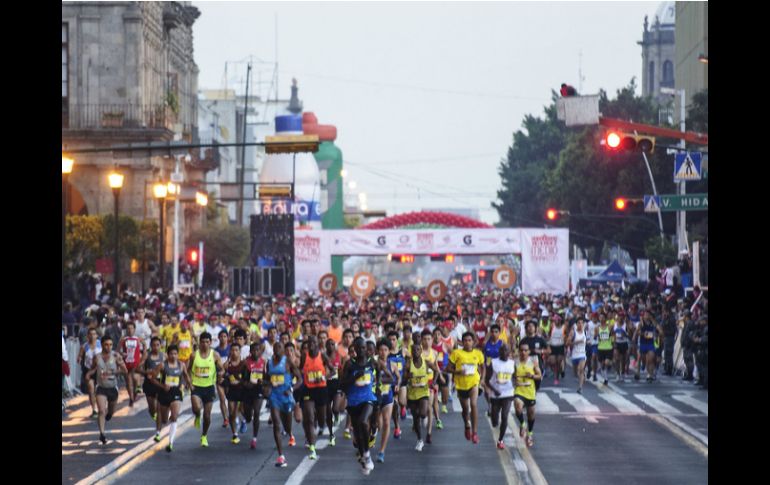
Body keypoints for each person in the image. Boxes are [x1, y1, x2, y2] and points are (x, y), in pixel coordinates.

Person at [340, 337, 383, 474]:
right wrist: (354, 377)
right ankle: (365, 455)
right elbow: (342, 384)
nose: (362, 350)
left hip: (368, 398)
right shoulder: (349, 364)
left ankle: (366, 454)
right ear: (354, 349)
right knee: (358, 431)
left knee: (363, 421)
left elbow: (379, 374)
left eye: (364, 347)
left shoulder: (372, 362)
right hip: (353, 401)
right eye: (358, 348)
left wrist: (378, 387)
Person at [265, 340, 304, 468]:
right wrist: (266, 387)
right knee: (277, 424)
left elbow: (299, 379)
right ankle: (281, 456)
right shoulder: (269, 363)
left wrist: (292, 388)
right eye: (275, 347)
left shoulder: (288, 362)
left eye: (279, 348)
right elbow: (266, 379)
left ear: (283, 350)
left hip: (286, 397)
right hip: (274, 396)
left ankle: (289, 433)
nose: (277, 350)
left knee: (287, 427)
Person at [148, 344, 191, 452]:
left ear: (178, 354)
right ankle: (161, 427)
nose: (173, 356)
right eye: (171, 354)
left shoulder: (181, 365)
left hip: (176, 391)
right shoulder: (162, 366)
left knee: (175, 416)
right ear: (167, 355)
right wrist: (163, 386)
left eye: (175, 354)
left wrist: (189, 385)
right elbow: (152, 379)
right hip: (164, 392)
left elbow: (185, 375)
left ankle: (170, 443)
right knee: (164, 420)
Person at [86, 335, 128, 445]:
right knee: (101, 411)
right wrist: (89, 373)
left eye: (110, 345)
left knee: (110, 412)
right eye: (106, 345)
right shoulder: (97, 357)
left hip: (112, 388)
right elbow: (93, 368)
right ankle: (102, 434)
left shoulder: (116, 356)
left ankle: (109, 415)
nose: (108, 347)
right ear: (102, 345)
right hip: (101, 388)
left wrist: (113, 372)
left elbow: (125, 370)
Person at [401, 338, 441, 452]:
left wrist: (433, 382)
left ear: (421, 351)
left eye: (418, 350)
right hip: (412, 393)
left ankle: (425, 417)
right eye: (413, 350)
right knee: (415, 418)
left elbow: (437, 371)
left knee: (423, 413)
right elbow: (403, 377)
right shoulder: (408, 364)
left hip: (424, 392)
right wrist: (408, 376)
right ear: (411, 352)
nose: (416, 352)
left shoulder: (426, 362)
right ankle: (419, 440)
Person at [446, 332, 484, 444]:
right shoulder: (456, 353)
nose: (467, 342)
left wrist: (482, 378)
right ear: (462, 342)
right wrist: (457, 371)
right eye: (465, 340)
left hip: (474, 383)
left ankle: (475, 433)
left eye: (469, 340)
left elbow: (482, 367)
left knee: (473, 404)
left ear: (473, 342)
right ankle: (467, 425)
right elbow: (448, 368)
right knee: (465, 409)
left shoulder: (478, 353)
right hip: (461, 385)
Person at [189, 332, 224, 447]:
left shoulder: (215, 355)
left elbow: (222, 369)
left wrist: (220, 374)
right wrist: (189, 383)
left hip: (209, 387)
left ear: (210, 342)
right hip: (196, 386)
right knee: (196, 408)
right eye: (202, 342)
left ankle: (204, 435)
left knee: (208, 416)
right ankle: (197, 415)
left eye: (207, 342)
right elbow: (188, 370)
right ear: (199, 343)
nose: (204, 344)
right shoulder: (194, 355)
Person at [299, 335, 332, 460]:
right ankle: (312, 447)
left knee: (321, 419)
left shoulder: (322, 356)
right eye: (309, 342)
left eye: (313, 342)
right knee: (309, 416)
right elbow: (300, 369)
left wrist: (324, 377)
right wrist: (304, 375)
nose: (311, 344)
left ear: (317, 343)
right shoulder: (304, 356)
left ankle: (321, 425)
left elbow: (333, 371)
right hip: (308, 389)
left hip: (321, 389)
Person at [486, 343, 515, 449]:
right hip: (496, 394)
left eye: (506, 350)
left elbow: (515, 378)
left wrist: (515, 388)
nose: (504, 352)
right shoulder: (493, 363)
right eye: (502, 350)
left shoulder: (512, 363)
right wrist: (494, 390)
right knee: (495, 421)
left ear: (509, 352)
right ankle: (494, 419)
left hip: (508, 393)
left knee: (505, 416)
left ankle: (501, 440)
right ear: (499, 351)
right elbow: (486, 380)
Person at [513, 341, 542, 447]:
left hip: (530, 391)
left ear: (529, 352)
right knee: (517, 405)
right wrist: (514, 381)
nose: (523, 352)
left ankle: (529, 434)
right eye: (521, 350)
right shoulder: (515, 362)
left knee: (531, 414)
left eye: (525, 350)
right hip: (519, 390)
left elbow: (539, 376)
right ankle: (522, 424)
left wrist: (532, 376)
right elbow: (512, 375)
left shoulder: (533, 362)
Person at [374, 338, 397, 463]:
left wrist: (397, 383)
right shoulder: (373, 363)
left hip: (387, 396)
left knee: (387, 422)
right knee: (378, 424)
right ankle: (372, 436)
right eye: (381, 350)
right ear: (377, 351)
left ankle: (382, 451)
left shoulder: (392, 365)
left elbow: (397, 378)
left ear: (389, 351)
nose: (383, 352)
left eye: (385, 350)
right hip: (376, 397)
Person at [242, 341, 266, 449]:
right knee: (248, 416)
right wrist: (248, 384)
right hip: (247, 391)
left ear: (261, 351)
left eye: (258, 350)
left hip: (258, 390)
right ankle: (245, 419)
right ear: (250, 352)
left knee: (256, 412)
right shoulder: (245, 363)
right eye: (254, 350)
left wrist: (263, 382)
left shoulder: (264, 362)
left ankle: (254, 438)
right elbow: (242, 379)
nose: (256, 352)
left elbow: (267, 378)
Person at [223, 343, 246, 444]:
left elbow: (247, 377)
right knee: (232, 413)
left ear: (240, 352)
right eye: (232, 350)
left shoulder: (244, 364)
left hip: (242, 390)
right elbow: (222, 376)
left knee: (242, 410)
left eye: (236, 350)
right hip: (231, 391)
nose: (234, 352)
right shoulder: (227, 365)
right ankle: (235, 434)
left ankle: (243, 421)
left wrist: (240, 381)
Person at [118, 321, 145, 406]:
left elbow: (145, 346)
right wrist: (122, 354)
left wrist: (143, 356)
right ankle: (131, 398)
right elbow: (118, 351)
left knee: (136, 379)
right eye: (128, 328)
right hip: (126, 363)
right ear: (126, 330)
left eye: (131, 328)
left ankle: (134, 395)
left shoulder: (138, 338)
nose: (130, 330)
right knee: (128, 381)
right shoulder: (123, 339)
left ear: (134, 329)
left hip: (136, 363)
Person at [139, 337, 164, 423]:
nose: (156, 347)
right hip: (149, 384)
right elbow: (138, 369)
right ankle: (153, 414)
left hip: (159, 383)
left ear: (161, 346)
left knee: (158, 405)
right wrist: (146, 372)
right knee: (151, 407)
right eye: (154, 345)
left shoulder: (163, 356)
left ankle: (159, 419)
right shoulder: (147, 356)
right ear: (151, 346)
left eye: (157, 345)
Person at [78, 327, 102, 418]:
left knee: (100, 391)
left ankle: (102, 407)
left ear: (96, 335)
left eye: (94, 334)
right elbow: (79, 356)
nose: (92, 336)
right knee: (91, 390)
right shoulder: (84, 346)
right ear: (88, 336)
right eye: (90, 334)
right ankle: (94, 410)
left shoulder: (101, 344)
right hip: (88, 370)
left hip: (100, 370)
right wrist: (79, 358)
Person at [635, 312, 662, 382]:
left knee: (651, 358)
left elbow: (660, 330)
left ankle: (650, 374)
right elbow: (637, 332)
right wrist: (643, 333)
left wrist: (658, 334)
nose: (647, 316)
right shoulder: (641, 323)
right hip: (643, 343)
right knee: (640, 358)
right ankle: (637, 372)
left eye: (648, 315)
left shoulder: (653, 322)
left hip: (650, 343)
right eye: (645, 315)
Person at [214, 330, 231, 428]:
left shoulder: (231, 349)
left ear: (227, 338)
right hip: (219, 377)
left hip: (229, 377)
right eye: (221, 336)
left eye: (225, 336)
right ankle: (225, 418)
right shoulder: (215, 351)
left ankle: (232, 415)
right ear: (218, 338)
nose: (223, 338)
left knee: (229, 398)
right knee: (222, 398)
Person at [566, 318, 588, 393]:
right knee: (575, 373)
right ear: (576, 324)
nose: (580, 324)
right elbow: (567, 343)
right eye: (579, 323)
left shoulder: (585, 332)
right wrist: (577, 342)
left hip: (582, 354)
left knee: (581, 370)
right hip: (575, 355)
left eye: (582, 323)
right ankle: (582, 377)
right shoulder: (573, 332)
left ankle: (580, 388)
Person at [547, 315, 566, 385]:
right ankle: (559, 371)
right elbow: (549, 335)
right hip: (552, 346)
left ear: (560, 320)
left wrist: (566, 344)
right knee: (552, 362)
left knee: (558, 363)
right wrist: (548, 344)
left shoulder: (564, 327)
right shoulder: (552, 326)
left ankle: (556, 378)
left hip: (560, 346)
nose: (555, 321)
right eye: (554, 320)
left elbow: (566, 336)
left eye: (556, 320)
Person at [595, 316, 614, 386]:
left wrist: (613, 342)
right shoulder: (597, 328)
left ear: (605, 319)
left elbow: (613, 335)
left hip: (608, 347)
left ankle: (610, 364)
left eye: (603, 318)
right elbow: (595, 336)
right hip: (601, 347)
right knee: (602, 365)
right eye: (600, 318)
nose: (601, 319)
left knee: (606, 363)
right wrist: (597, 336)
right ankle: (606, 379)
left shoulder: (609, 327)